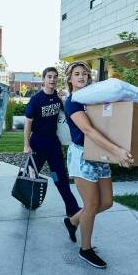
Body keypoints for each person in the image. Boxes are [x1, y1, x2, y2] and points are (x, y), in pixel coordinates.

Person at [64, 61, 134, 269]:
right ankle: (85, 249)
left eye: (85, 74)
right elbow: (88, 130)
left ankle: (73, 221)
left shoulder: (95, 100)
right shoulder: (73, 102)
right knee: (92, 204)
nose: (81, 77)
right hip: (82, 156)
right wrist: (117, 152)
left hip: (100, 154)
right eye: (76, 74)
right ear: (69, 79)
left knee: (107, 202)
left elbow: (115, 122)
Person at [23, 67, 81, 217]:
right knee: (31, 175)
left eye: (55, 77)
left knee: (58, 176)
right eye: (49, 77)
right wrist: (26, 145)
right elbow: (28, 123)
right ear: (43, 79)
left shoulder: (58, 98)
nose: (52, 79)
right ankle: (26, 199)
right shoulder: (35, 100)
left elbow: (69, 112)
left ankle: (72, 208)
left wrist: (63, 99)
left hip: (53, 144)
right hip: (37, 143)